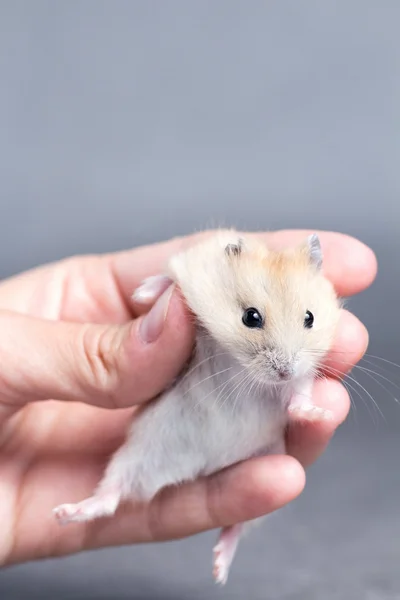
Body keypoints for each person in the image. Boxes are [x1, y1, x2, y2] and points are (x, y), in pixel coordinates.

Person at [0, 229, 376, 566]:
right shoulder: (218, 268)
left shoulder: (304, 342)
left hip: (255, 434)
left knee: (270, 470)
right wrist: (168, 281)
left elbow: (300, 372)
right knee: (146, 443)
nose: (285, 362)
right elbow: (190, 265)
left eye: (306, 321)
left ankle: (233, 531)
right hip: (186, 413)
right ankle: (105, 497)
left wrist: (300, 400)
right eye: (252, 319)